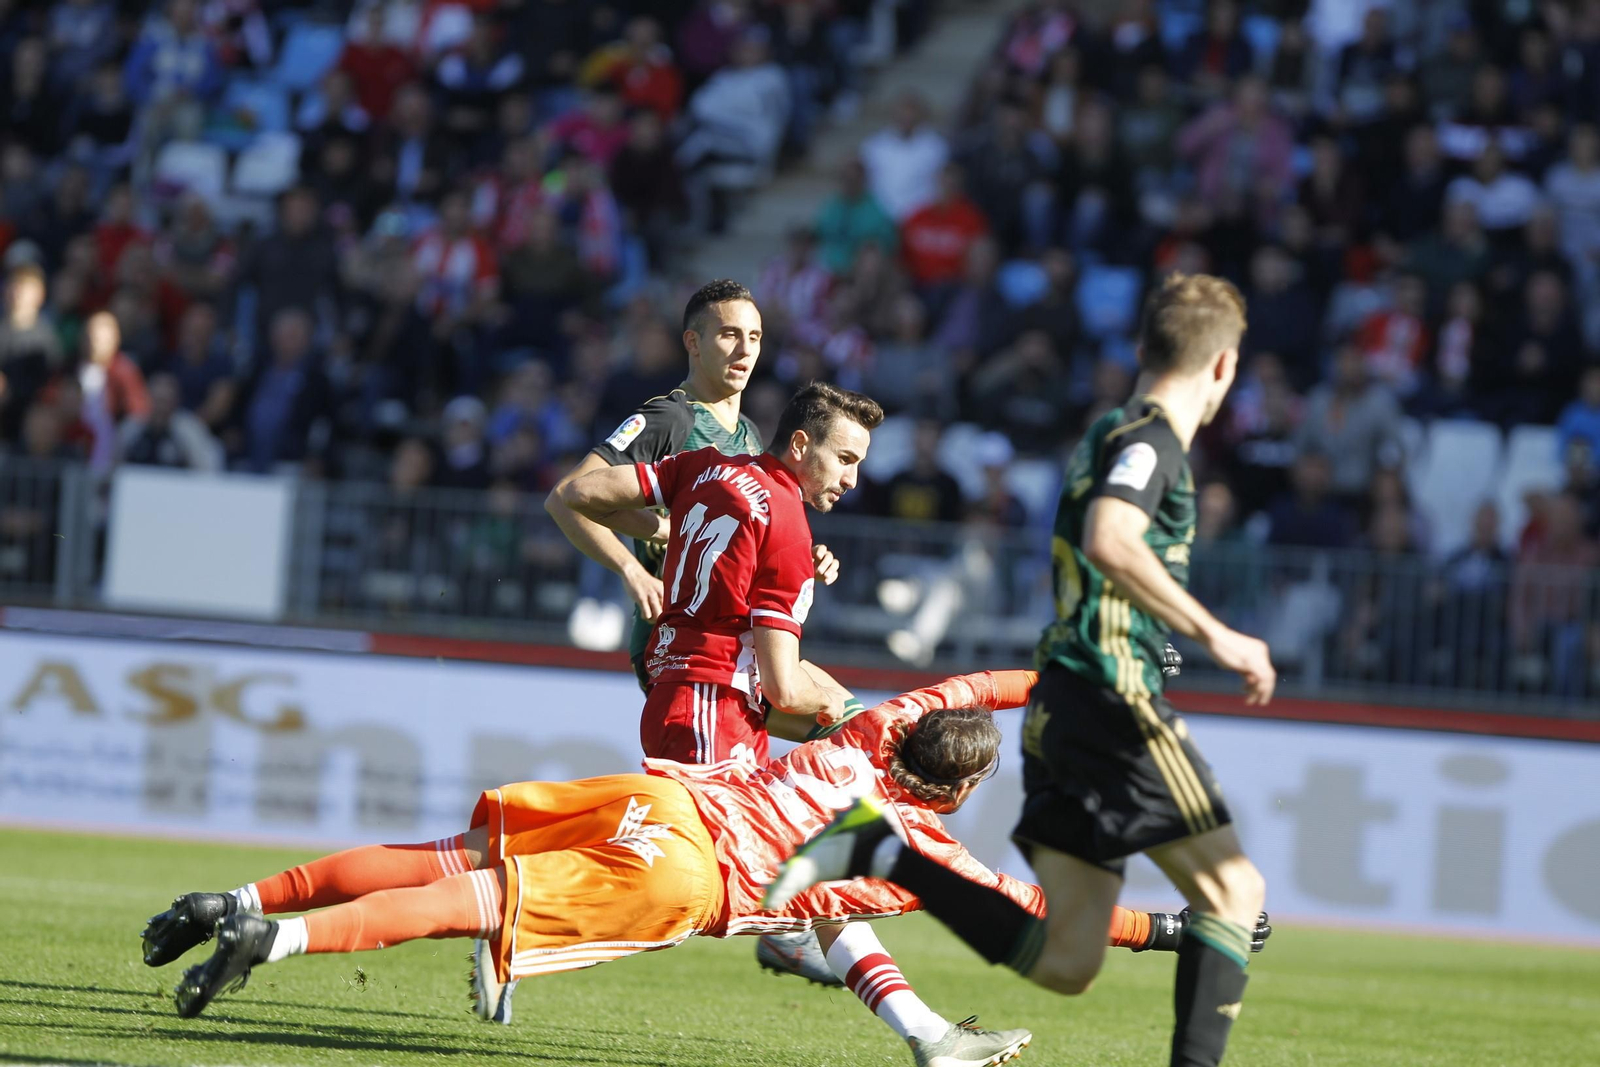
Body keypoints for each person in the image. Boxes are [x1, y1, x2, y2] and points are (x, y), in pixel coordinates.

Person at [145, 670, 1263, 1065]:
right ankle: (275, 939)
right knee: (474, 903)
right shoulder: (928, 853)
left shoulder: (876, 725)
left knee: (454, 849)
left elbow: (980, 684)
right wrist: (1173, 929)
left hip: (663, 792)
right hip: (695, 873)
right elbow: (1051, 917)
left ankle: (236, 898)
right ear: (961, 789)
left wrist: (1074, 682)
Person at [766, 273, 1276, 1067]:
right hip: (1114, 700)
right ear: (1224, 367)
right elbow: (1111, 536)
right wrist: (1218, 635)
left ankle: (881, 853)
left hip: (1067, 704)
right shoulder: (1152, 441)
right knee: (1236, 894)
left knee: (1069, 960)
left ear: (1142, 348)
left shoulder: (1109, 430)